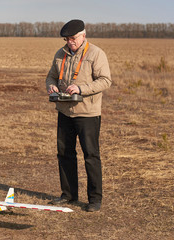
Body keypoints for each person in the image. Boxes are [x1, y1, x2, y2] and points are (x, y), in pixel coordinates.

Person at [45, 19, 112, 212]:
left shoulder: (96, 54)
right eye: (67, 39)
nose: (70, 42)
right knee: (64, 154)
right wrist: (51, 85)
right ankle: (68, 195)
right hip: (64, 111)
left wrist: (81, 89)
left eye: (73, 38)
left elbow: (105, 80)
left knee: (91, 155)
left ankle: (94, 200)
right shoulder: (60, 53)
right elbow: (50, 75)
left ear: (83, 35)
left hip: (88, 114)